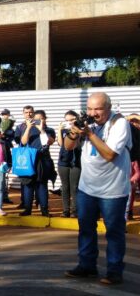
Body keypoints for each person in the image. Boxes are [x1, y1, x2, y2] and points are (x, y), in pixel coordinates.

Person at [63, 92, 132, 285]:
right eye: (90, 109)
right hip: (87, 187)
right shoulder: (87, 123)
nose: (93, 113)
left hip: (113, 189)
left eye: (98, 109)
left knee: (114, 232)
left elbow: (110, 154)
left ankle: (114, 270)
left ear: (108, 108)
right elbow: (68, 147)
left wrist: (90, 134)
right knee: (85, 229)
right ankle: (87, 265)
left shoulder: (119, 123)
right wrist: (74, 132)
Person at [16, 109, 56, 216]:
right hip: (29, 160)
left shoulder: (49, 130)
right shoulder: (28, 129)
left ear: (45, 119)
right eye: (36, 119)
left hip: (43, 160)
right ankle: (27, 209)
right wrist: (29, 127)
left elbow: (49, 142)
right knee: (28, 185)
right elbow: (23, 142)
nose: (38, 121)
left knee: (42, 185)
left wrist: (42, 130)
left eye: (41, 119)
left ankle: (44, 210)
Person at [57, 110, 82, 217]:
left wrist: (77, 131)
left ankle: (75, 210)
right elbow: (60, 144)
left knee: (75, 187)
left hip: (76, 161)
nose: (70, 122)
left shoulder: (81, 131)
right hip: (63, 161)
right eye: (67, 120)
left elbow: (78, 145)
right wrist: (59, 130)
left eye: (72, 120)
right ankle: (66, 210)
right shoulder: (64, 131)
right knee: (65, 186)